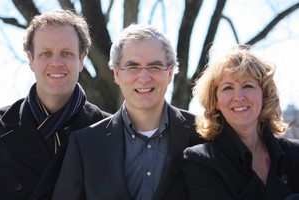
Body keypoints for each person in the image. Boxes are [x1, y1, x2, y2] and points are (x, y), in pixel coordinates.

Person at [52, 23, 205, 200]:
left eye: (155, 67)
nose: (144, 77)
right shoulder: (85, 144)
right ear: (117, 74)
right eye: (133, 67)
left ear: (170, 73)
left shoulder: (202, 134)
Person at [0, 10, 110, 200]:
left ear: (81, 59)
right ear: (31, 59)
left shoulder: (112, 132)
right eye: (46, 53)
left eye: (66, 53)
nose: (56, 63)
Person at [182, 45, 299, 200]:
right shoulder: (200, 161)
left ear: (264, 94)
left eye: (248, 85)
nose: (238, 96)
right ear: (215, 100)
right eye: (227, 88)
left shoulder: (295, 154)